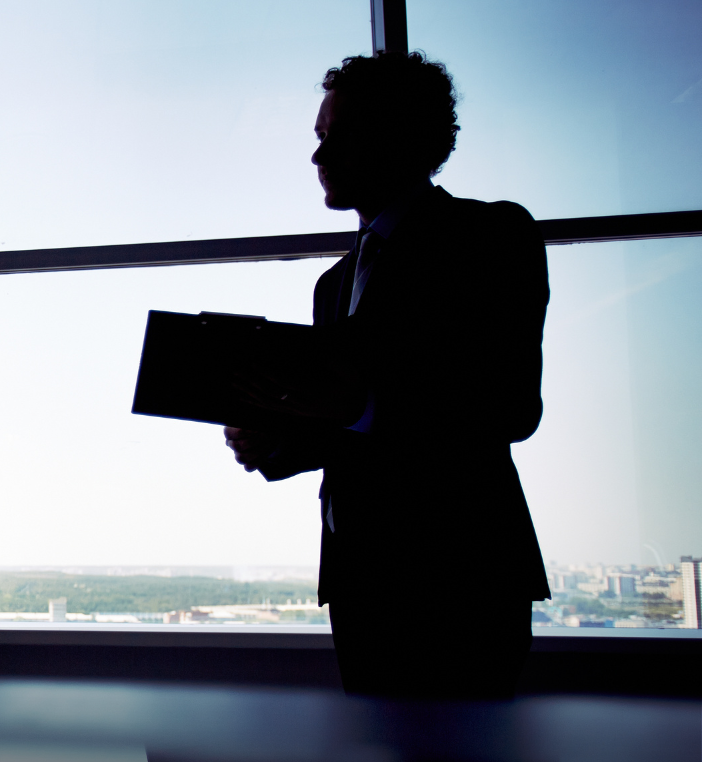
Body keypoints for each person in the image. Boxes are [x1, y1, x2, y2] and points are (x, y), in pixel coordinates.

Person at [222, 52, 549, 698]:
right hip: (358, 580)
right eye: (318, 139)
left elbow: (512, 406)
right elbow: (347, 425)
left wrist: (352, 403)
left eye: (334, 138)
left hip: (462, 574)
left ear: (396, 137)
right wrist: (275, 445)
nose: (317, 158)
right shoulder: (334, 284)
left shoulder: (491, 237)